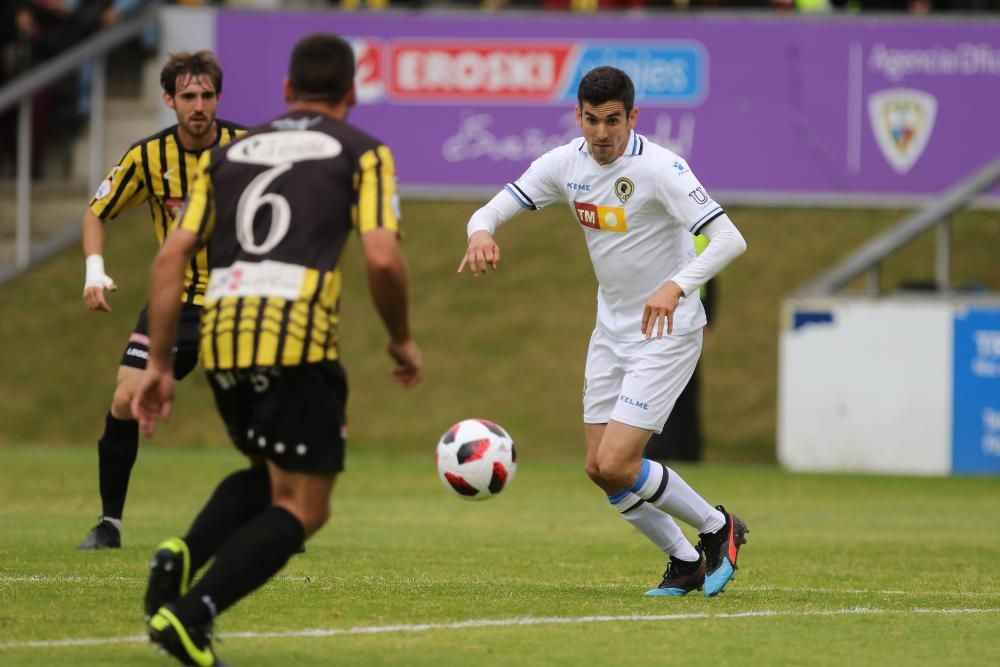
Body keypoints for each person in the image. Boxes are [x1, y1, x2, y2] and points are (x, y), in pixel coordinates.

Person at [131, 32, 422, 665]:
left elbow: (170, 258)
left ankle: (178, 556)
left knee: (269, 477)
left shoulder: (225, 157)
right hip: (295, 342)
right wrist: (400, 338)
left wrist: (157, 364)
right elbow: (381, 255)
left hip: (224, 336)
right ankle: (193, 614)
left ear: (288, 92)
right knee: (305, 507)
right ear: (351, 94)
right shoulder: (364, 152)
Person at [458, 66, 749, 597]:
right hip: (611, 331)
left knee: (619, 460)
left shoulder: (663, 168)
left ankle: (716, 527)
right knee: (599, 467)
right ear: (579, 116)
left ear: (632, 117)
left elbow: (730, 240)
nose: (601, 133)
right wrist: (481, 232)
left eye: (612, 120)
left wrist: (676, 287)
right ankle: (684, 562)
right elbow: (492, 208)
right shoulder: (564, 163)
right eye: (591, 120)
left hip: (668, 329)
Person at [78, 50, 246, 550]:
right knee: (126, 398)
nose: (199, 106)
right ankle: (109, 524)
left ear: (218, 98)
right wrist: (94, 269)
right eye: (188, 96)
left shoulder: (249, 148)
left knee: (263, 408)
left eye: (207, 96)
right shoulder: (147, 157)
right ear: (169, 99)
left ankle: (287, 514)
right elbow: (96, 212)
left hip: (241, 301)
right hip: (177, 302)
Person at [644, 233, 716, 463]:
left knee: (684, 388)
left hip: (688, 316)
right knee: (657, 384)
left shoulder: (699, 229)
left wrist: (708, 318)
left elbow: (711, 279)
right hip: (660, 312)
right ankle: (659, 452)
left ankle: (687, 452)